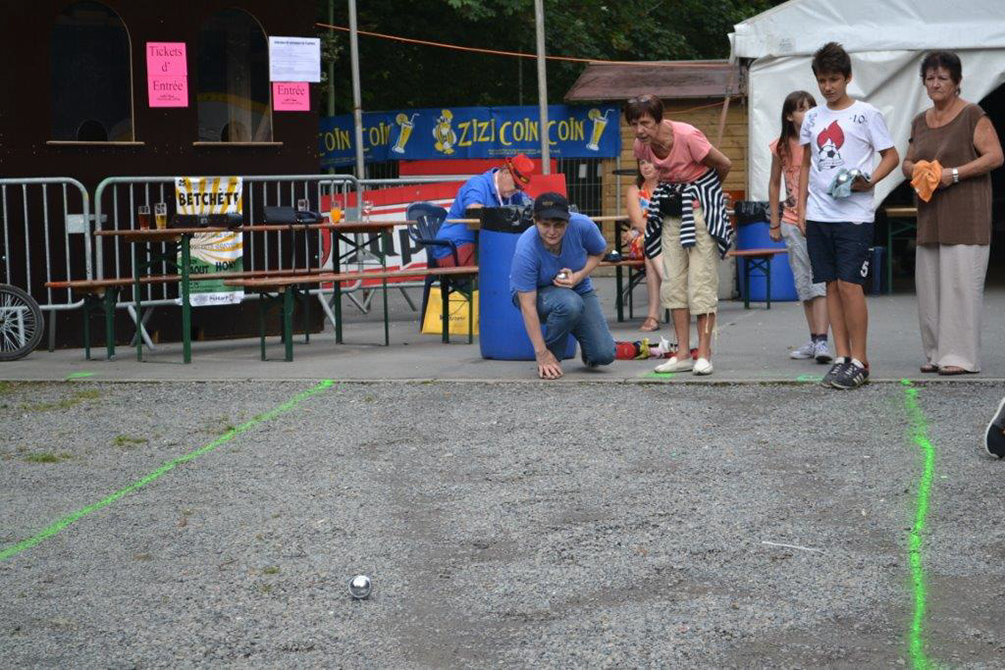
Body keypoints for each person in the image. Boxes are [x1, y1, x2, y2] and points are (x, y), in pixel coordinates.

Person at [797, 42, 900, 389]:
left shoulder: (866, 114)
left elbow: (891, 156)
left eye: (835, 79)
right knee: (830, 285)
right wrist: (799, 208)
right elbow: (806, 163)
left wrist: (868, 180)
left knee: (850, 284)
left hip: (854, 213)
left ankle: (860, 359)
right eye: (822, 80)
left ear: (848, 77)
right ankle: (841, 357)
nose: (828, 87)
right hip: (819, 213)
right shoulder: (812, 117)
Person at [901, 51, 1004, 376]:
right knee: (930, 288)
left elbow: (995, 156)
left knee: (961, 287)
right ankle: (935, 353)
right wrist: (916, 168)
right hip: (930, 216)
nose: (935, 83)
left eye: (942, 77)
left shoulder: (973, 114)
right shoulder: (920, 120)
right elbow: (907, 162)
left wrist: (954, 174)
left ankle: (959, 357)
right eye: (930, 78)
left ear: (957, 82)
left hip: (966, 215)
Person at [625, 94, 733, 376]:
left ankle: (704, 354)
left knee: (702, 283)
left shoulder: (687, 136)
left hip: (698, 211)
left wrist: (703, 192)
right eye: (634, 124)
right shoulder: (641, 146)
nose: (639, 130)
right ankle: (683, 352)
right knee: (673, 284)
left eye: (645, 123)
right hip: (671, 213)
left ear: (659, 120)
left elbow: (724, 164)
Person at [510, 192, 615, 380]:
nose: (552, 231)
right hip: (536, 295)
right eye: (545, 224)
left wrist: (578, 276)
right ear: (535, 221)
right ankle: (550, 360)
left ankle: (582, 337)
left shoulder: (583, 225)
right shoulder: (526, 247)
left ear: (568, 222)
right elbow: (528, 305)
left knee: (604, 355)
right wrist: (541, 353)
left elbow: (599, 252)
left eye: (558, 225)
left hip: (577, 288)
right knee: (569, 304)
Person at [768, 90, 832, 364]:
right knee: (803, 283)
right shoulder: (781, 146)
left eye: (810, 108)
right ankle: (814, 337)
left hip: (818, 218)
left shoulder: (821, 141)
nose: (806, 114)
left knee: (821, 281)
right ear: (789, 115)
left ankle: (823, 341)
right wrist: (774, 220)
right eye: (801, 109)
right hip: (792, 221)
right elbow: (774, 183)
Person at [434, 153, 535, 267]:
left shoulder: (513, 193)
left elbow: (531, 207)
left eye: (520, 187)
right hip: (455, 249)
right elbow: (473, 210)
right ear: (505, 172)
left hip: (483, 246)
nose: (517, 190)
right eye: (516, 185)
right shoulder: (477, 184)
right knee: (507, 262)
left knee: (527, 257)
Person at [623, 158, 663, 332]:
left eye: (650, 162)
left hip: (666, 240)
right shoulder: (635, 190)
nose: (646, 167)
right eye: (642, 163)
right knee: (651, 252)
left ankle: (654, 315)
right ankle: (653, 314)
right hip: (643, 239)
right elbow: (638, 223)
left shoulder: (669, 187)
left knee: (653, 253)